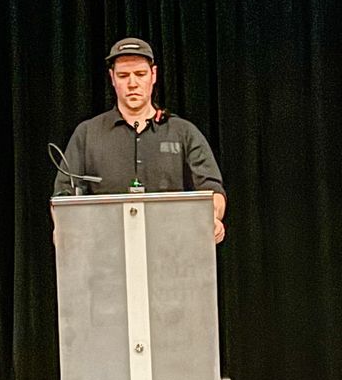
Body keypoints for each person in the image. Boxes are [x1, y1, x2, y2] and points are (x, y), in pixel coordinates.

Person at [55, 36, 226, 242]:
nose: (132, 83)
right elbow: (62, 196)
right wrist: (64, 228)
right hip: (104, 254)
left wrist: (212, 218)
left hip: (174, 252)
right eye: (123, 75)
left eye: (140, 74)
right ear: (112, 78)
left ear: (153, 75)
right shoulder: (87, 133)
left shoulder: (184, 132)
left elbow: (212, 190)